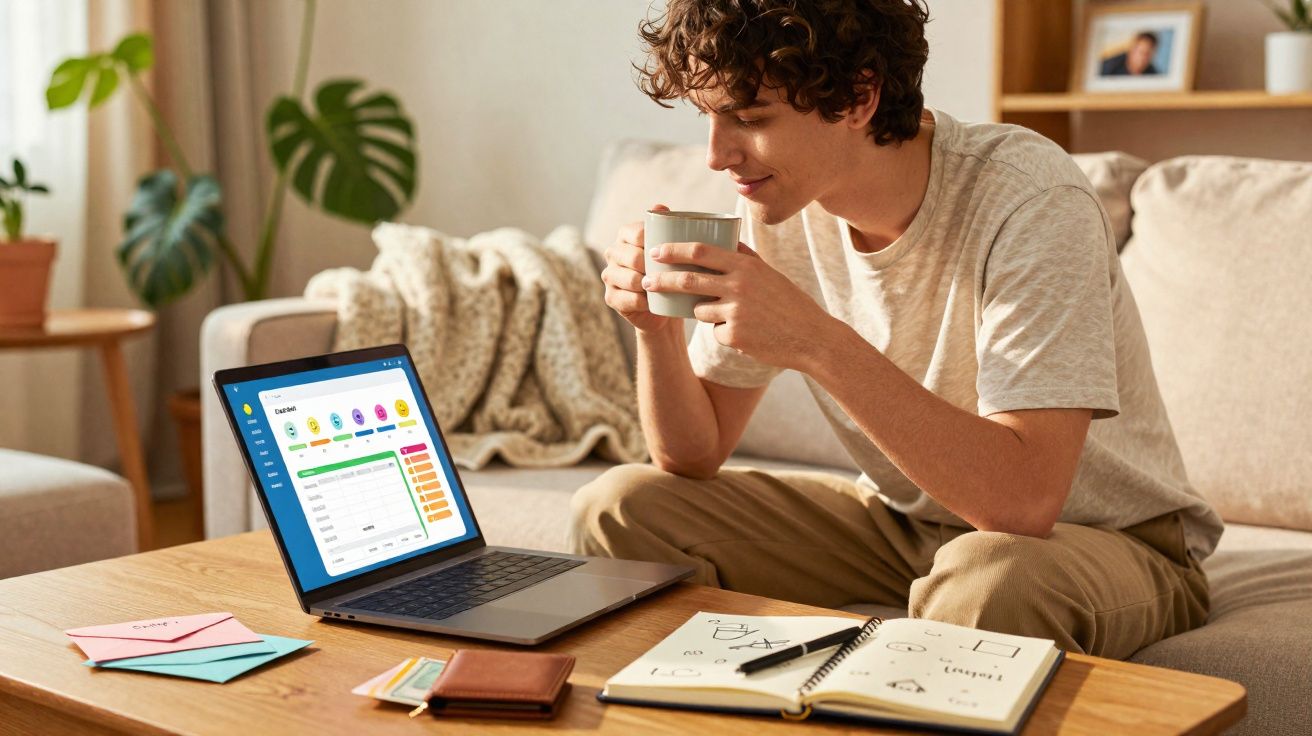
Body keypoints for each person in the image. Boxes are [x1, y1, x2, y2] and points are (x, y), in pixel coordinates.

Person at [571, 0, 1221, 660]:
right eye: (708, 115)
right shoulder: (776, 207)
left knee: (993, 583)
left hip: (1099, 539)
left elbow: (1024, 506)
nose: (716, 154)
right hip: (908, 524)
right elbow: (692, 454)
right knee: (619, 506)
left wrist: (815, 342)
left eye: (749, 117)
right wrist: (653, 330)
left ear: (859, 97)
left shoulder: (1029, 199)